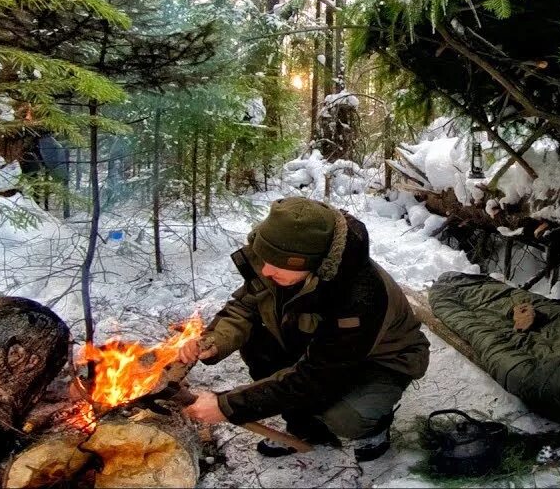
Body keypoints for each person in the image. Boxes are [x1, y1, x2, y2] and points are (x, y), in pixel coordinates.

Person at [181, 197, 430, 461]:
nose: (265, 270)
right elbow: (245, 307)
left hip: (381, 359)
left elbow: (318, 376)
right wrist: (212, 342)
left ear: (309, 263)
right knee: (259, 345)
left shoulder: (360, 296)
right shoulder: (277, 258)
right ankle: (307, 429)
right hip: (318, 346)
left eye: (276, 265)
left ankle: (374, 425)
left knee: (345, 417)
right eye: (264, 259)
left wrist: (226, 406)